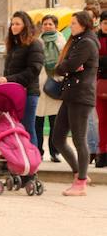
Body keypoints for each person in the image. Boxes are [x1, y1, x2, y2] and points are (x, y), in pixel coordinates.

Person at [52, 11, 100, 196]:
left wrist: (67, 67)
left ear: (83, 25)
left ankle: (80, 183)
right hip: (71, 94)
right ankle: (79, 173)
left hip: (81, 96)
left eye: (73, 24)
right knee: (57, 138)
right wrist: (66, 66)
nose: (70, 27)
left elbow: (68, 66)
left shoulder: (86, 42)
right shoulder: (79, 41)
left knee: (79, 139)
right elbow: (66, 65)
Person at [0, 11, 43, 146]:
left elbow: (34, 70)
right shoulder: (13, 45)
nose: (14, 27)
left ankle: (32, 161)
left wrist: (8, 79)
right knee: (14, 128)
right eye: (12, 24)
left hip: (28, 93)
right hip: (13, 93)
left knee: (27, 128)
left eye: (18, 24)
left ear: (25, 26)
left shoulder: (35, 44)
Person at [35, 15, 66, 162]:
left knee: (55, 122)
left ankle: (55, 152)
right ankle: (38, 151)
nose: (47, 26)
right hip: (40, 85)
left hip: (55, 83)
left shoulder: (62, 42)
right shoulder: (36, 42)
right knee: (38, 122)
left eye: (50, 24)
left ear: (56, 26)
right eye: (45, 24)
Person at [97, 11, 107, 168]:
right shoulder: (95, 39)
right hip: (100, 85)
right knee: (102, 121)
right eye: (104, 22)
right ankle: (103, 153)